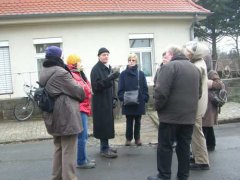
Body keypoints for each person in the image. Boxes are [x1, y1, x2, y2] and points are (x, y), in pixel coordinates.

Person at [148, 46, 200, 180]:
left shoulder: (170, 67)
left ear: (172, 55)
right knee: (184, 148)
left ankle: (164, 176)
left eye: (166, 56)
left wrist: (158, 107)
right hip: (189, 117)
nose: (164, 58)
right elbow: (198, 93)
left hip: (170, 117)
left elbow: (161, 92)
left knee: (165, 147)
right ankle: (183, 176)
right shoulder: (194, 68)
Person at [39, 46, 85, 180]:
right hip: (66, 116)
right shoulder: (61, 72)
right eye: (62, 55)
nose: (63, 57)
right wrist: (81, 86)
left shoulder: (44, 70)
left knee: (58, 148)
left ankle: (56, 177)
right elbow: (79, 92)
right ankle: (70, 178)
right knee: (69, 150)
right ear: (58, 57)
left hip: (52, 115)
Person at [183, 41, 210, 170]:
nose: (186, 54)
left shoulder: (197, 67)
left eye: (188, 52)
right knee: (196, 132)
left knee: (197, 133)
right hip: (199, 104)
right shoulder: (200, 63)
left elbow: (194, 89)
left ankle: (202, 161)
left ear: (194, 54)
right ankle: (198, 156)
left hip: (196, 105)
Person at [66, 54, 96, 169]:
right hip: (80, 108)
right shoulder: (72, 75)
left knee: (85, 136)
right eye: (79, 62)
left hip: (84, 107)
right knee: (82, 136)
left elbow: (87, 87)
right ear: (74, 63)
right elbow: (81, 90)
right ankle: (81, 161)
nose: (81, 63)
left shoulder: (79, 74)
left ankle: (84, 157)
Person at [90, 47, 119, 158]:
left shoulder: (108, 68)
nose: (106, 56)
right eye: (103, 55)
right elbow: (96, 87)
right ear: (98, 56)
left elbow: (112, 85)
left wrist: (114, 97)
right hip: (100, 102)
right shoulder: (96, 69)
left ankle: (106, 146)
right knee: (103, 125)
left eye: (107, 54)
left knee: (107, 124)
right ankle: (104, 149)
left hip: (108, 100)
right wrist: (109, 78)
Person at [118, 53, 149, 146]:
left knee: (138, 121)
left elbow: (144, 87)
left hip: (138, 101)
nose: (131, 62)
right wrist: (122, 97)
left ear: (136, 62)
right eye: (129, 60)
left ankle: (137, 138)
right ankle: (128, 138)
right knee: (129, 121)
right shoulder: (123, 74)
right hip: (128, 101)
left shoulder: (141, 73)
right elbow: (120, 88)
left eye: (133, 60)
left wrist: (144, 98)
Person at [202, 70, 224, 151]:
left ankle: (204, 147)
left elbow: (220, 84)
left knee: (205, 126)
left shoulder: (211, 72)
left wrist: (209, 83)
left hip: (210, 104)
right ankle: (211, 145)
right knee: (208, 126)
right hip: (206, 103)